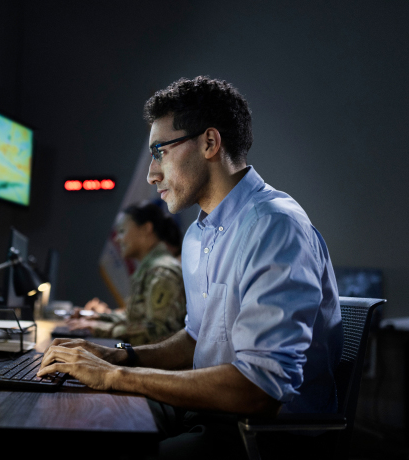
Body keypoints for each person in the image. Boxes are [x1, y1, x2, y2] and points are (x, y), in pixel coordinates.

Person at [38, 76, 342, 458]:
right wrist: (119, 356)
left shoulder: (274, 225)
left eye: (160, 151)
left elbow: (260, 390)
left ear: (210, 143)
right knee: (71, 421)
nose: (152, 174)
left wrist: (115, 376)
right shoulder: (199, 234)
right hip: (209, 412)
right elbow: (197, 339)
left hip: (263, 436)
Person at [68, 202, 187, 346]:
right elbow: (136, 318)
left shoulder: (161, 272)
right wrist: (96, 318)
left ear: (146, 229)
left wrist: (104, 329)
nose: (117, 239)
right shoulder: (151, 268)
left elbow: (161, 332)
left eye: (122, 231)